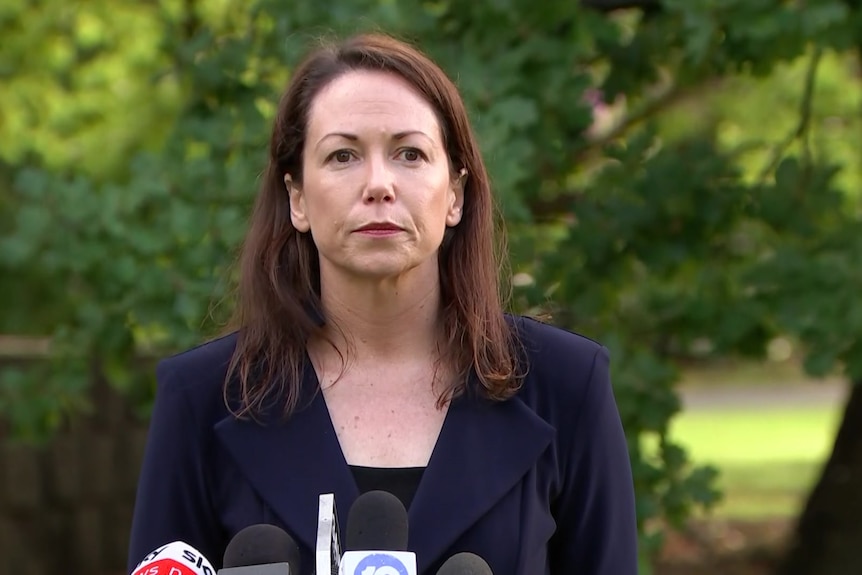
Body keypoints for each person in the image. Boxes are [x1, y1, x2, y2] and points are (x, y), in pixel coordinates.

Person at [127, 32, 638, 575]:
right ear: (297, 197)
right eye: (343, 155)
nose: (378, 185)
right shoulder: (203, 400)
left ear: (456, 194)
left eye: (409, 154)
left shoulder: (565, 387)